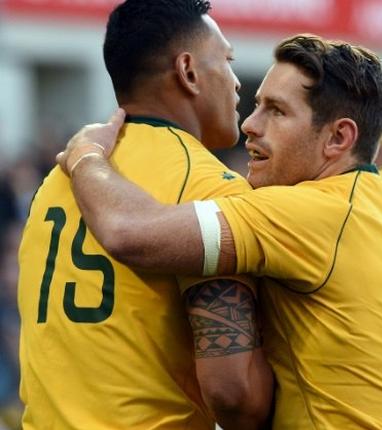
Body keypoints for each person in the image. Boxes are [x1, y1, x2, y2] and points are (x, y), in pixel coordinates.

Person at [55, 34, 382, 429]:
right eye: (257, 105)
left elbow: (127, 232)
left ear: (338, 138)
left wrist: (86, 156)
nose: (250, 125)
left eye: (277, 111)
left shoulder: (310, 213)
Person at [16, 1, 273, 428]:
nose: (235, 82)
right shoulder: (212, 187)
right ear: (188, 71)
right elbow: (233, 392)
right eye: (227, 61)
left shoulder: (60, 178)